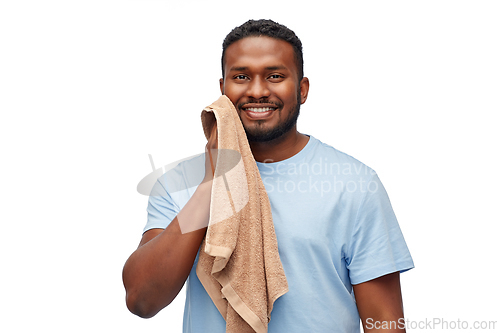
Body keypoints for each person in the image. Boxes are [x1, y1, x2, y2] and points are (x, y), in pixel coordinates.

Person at [123, 19, 414, 332]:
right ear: (223, 89)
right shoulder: (178, 183)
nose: (258, 91)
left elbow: (385, 321)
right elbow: (142, 299)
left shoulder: (355, 184)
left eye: (275, 76)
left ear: (301, 90)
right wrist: (213, 183)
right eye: (241, 76)